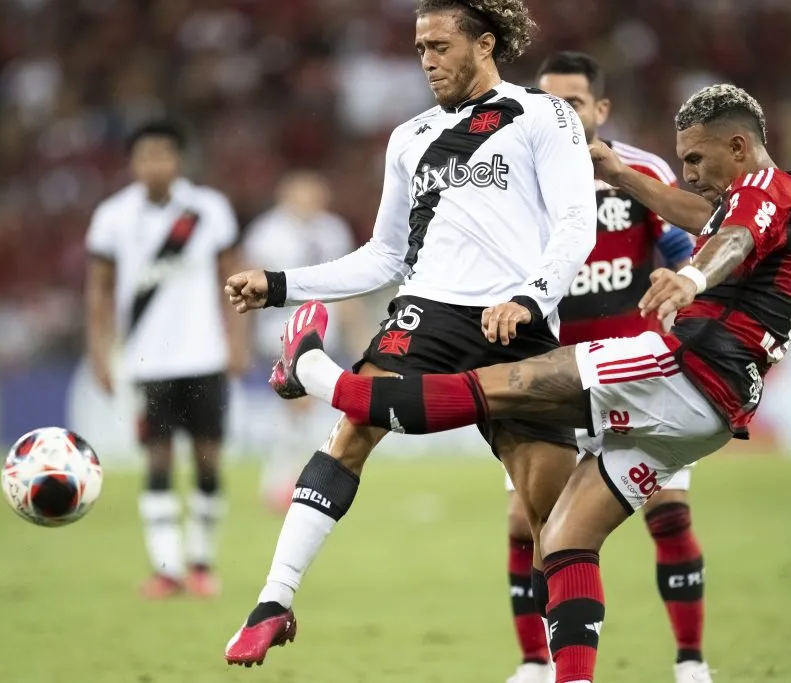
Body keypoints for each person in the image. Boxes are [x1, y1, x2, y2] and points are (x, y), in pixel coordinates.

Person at [270, 83, 791, 683]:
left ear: (739, 145)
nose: (687, 174)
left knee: (504, 386)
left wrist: (690, 278)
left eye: (695, 159)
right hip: (708, 414)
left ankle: (314, 371)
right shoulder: (788, 200)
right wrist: (619, 170)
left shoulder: (764, 191)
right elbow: (714, 220)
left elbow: (732, 240)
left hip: (681, 368)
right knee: (563, 538)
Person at [222, 0, 598, 666]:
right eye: (419, 48)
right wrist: (282, 285)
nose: (426, 60)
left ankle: (564, 673)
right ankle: (273, 600)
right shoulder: (411, 137)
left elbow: (577, 226)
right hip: (429, 311)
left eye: (439, 46)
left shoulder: (542, 115)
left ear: (485, 45)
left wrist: (530, 297)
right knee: (349, 434)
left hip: (521, 324)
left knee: (559, 525)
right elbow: (383, 256)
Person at [501, 52, 709, 683]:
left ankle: (691, 662)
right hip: (555, 380)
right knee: (529, 526)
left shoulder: (638, 172)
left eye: (574, 103)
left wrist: (681, 280)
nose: (561, 114)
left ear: (601, 109)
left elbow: (684, 247)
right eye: (548, 102)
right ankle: (536, 664)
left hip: (639, 377)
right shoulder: (517, 180)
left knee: (668, 513)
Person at [85, 119, 247, 599]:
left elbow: (234, 273)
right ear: (132, 162)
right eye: (145, 155)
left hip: (204, 356)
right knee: (156, 462)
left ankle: (201, 563)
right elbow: (97, 290)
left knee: (208, 460)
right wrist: (99, 351)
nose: (154, 164)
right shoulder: (112, 217)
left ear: (178, 160)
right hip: (145, 362)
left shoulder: (208, 209)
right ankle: (166, 568)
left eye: (163, 155)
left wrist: (237, 340)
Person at [241, 171, 362, 514]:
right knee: (299, 404)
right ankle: (286, 482)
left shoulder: (333, 229)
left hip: (325, 331)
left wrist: (357, 335)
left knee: (303, 408)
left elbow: (348, 284)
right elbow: (249, 281)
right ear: (286, 195)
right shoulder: (267, 232)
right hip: (279, 331)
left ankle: (288, 480)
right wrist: (244, 337)